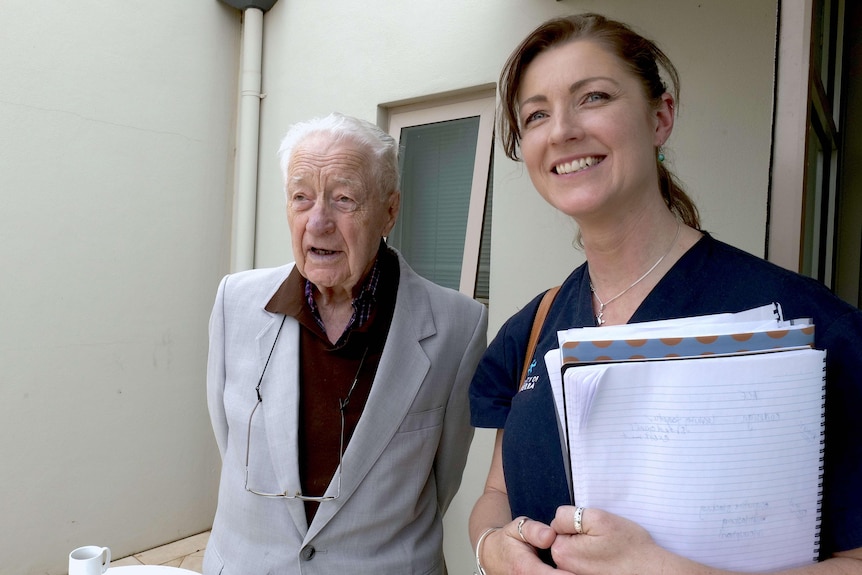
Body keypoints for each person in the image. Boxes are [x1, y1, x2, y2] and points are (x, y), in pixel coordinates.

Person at [468, 13, 862, 575]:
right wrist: (490, 548)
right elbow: (495, 494)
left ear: (660, 117)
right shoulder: (532, 327)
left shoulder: (805, 324)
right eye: (535, 115)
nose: (561, 131)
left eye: (593, 97)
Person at [204, 112, 488, 574]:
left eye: (344, 199)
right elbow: (230, 440)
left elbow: (443, 478)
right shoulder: (234, 302)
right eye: (301, 197)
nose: (318, 222)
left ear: (389, 211)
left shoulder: (458, 325)